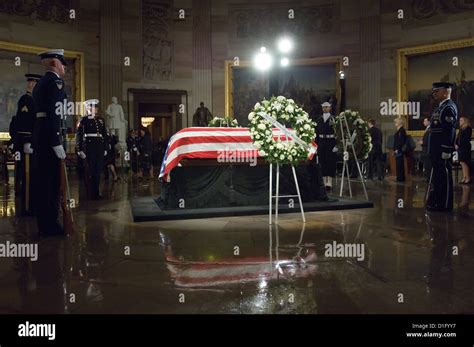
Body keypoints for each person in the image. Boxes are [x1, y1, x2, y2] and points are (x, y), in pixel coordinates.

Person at [31, 49, 68, 236]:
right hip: (49, 136)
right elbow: (54, 113)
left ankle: (45, 224)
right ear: (55, 62)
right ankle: (51, 226)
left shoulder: (40, 83)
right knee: (52, 183)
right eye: (62, 63)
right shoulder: (55, 82)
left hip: (40, 134)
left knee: (43, 182)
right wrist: (56, 141)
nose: (64, 68)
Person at [10, 73, 42, 215]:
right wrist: (27, 141)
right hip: (26, 144)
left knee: (34, 176)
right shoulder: (26, 99)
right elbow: (23, 123)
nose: (31, 84)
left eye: (34, 82)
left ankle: (33, 205)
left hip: (35, 143)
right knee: (25, 176)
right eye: (30, 82)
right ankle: (26, 207)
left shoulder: (37, 100)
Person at [426, 82, 458, 212]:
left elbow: (449, 131)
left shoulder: (448, 108)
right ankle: (437, 202)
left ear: (445, 92)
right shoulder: (440, 107)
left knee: (444, 177)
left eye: (437, 91)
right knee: (438, 177)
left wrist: (446, 149)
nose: (434, 93)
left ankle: (444, 204)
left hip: (441, 149)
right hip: (435, 149)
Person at [76, 99, 108, 200]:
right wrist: (80, 149)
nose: (96, 109)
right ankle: (90, 192)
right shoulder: (84, 120)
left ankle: (96, 192)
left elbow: (104, 135)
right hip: (89, 146)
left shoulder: (101, 120)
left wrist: (105, 147)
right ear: (89, 108)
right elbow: (80, 135)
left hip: (99, 146)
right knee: (90, 171)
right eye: (94, 107)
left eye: (96, 107)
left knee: (98, 171)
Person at [315, 102, 337, 190]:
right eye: (323, 107)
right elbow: (316, 133)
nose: (325, 108)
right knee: (322, 161)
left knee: (330, 162)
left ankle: (329, 182)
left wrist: (336, 144)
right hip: (321, 142)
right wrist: (316, 145)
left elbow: (337, 133)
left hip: (330, 142)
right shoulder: (319, 119)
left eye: (327, 107)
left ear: (330, 108)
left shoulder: (334, 119)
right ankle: (323, 181)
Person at [455, 116, 472, 184]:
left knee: (465, 163)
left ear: (465, 121)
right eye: (459, 120)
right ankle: (464, 177)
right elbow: (458, 138)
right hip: (460, 148)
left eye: (461, 120)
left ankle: (468, 177)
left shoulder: (468, 128)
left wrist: (459, 145)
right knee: (461, 163)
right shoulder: (461, 129)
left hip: (465, 148)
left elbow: (466, 139)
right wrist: (456, 144)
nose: (460, 122)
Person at [393, 117, 407, 182]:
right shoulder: (399, 130)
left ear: (399, 123)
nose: (395, 123)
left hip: (399, 150)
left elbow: (401, 141)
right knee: (398, 164)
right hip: (398, 150)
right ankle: (399, 177)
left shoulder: (401, 130)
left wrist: (397, 149)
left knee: (400, 164)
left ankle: (400, 178)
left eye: (396, 122)